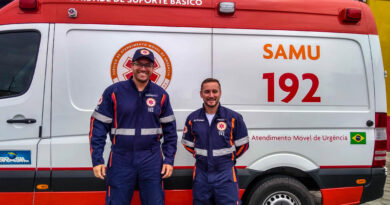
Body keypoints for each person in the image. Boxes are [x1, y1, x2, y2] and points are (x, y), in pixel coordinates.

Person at [89, 48, 177, 205]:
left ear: (152, 68)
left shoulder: (161, 95)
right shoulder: (114, 92)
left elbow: (170, 132)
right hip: (121, 158)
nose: (143, 68)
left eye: (148, 65)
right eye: (139, 64)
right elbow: (98, 127)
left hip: (151, 158)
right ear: (132, 65)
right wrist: (97, 159)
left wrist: (169, 159)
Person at [181, 78, 249, 205]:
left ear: (220, 93)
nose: (211, 95)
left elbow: (243, 145)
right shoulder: (193, 118)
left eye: (214, 91)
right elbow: (188, 144)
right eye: (207, 92)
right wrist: (202, 157)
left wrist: (227, 159)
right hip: (202, 174)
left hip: (225, 173)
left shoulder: (234, 118)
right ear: (201, 94)